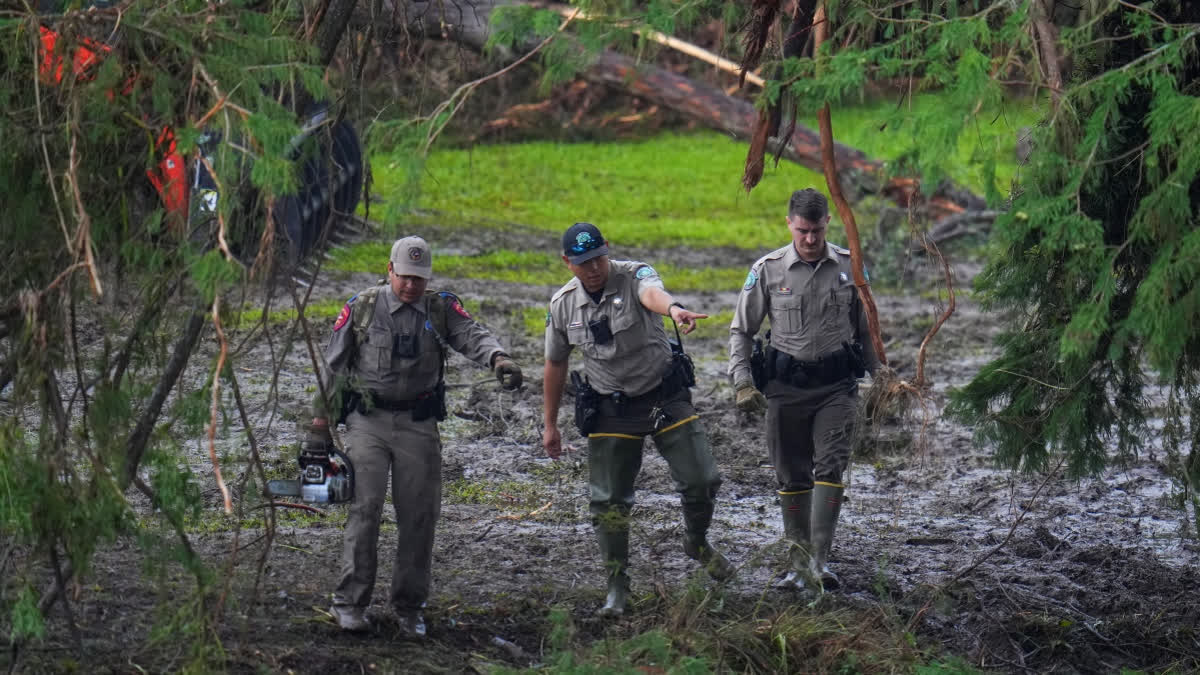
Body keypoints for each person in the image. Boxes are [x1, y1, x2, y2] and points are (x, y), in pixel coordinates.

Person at [307, 235, 524, 635]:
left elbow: (471, 334)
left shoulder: (440, 307)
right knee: (365, 508)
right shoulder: (362, 309)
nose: (411, 286)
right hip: (366, 422)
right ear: (389, 270)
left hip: (418, 424)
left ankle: (409, 607)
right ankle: (350, 602)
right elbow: (333, 366)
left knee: (419, 516)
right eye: (404, 277)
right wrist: (319, 425)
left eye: (418, 279)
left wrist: (498, 358)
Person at [542, 222, 733, 618]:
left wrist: (675, 309)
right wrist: (550, 424)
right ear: (567, 263)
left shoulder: (634, 274)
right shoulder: (562, 305)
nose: (593, 268)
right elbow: (555, 362)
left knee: (703, 479)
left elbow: (652, 294)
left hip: (663, 395)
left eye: (598, 258)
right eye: (582, 263)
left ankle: (697, 541)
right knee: (608, 502)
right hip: (611, 407)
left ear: (607, 250)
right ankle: (617, 587)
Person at [728, 188, 879, 592]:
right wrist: (742, 382)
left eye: (816, 230)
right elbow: (742, 330)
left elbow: (868, 333)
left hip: (837, 388)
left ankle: (819, 562)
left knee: (830, 467)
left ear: (828, 222)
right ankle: (797, 565)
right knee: (792, 475)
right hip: (785, 389)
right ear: (789, 225)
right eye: (802, 231)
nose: (810, 240)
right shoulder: (768, 270)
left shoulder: (851, 268)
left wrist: (883, 378)